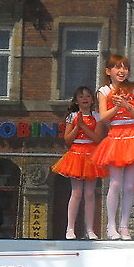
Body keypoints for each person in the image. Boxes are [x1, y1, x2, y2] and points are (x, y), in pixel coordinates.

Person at [91, 53, 134, 240]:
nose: (122, 71)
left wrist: (126, 105)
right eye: (117, 67)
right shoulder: (104, 91)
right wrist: (116, 107)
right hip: (116, 137)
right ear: (108, 71)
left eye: (125, 68)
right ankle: (111, 226)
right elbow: (104, 117)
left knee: (129, 185)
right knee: (115, 183)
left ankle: (124, 226)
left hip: (133, 137)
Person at [52, 85, 104, 240]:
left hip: (91, 155)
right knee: (76, 192)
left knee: (90, 193)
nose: (85, 99)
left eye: (88, 96)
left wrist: (83, 126)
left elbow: (97, 138)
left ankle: (90, 229)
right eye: (81, 96)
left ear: (92, 100)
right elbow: (68, 140)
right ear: (76, 101)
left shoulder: (97, 116)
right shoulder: (72, 116)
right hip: (76, 154)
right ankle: (70, 228)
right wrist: (77, 126)